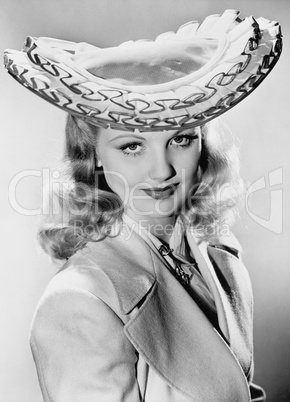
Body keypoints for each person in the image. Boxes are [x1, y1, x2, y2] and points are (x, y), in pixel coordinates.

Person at [4, 9, 282, 402]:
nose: (162, 170)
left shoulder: (219, 256)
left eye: (181, 139)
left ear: (204, 141)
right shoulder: (80, 301)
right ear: (95, 155)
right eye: (132, 146)